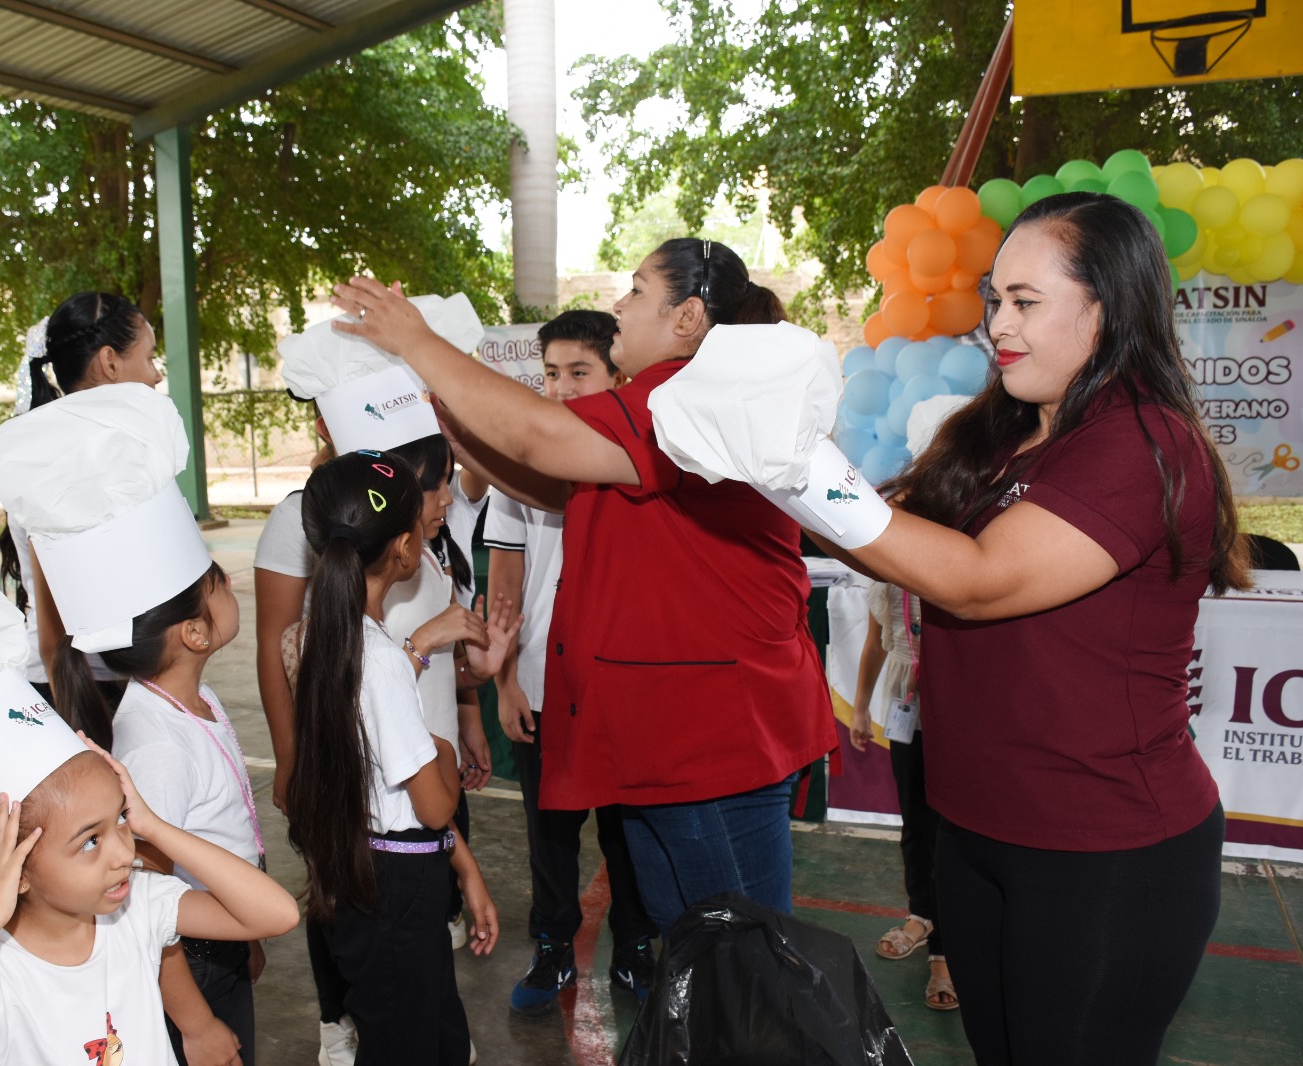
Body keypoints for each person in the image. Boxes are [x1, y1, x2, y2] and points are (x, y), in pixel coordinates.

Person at [712, 192, 1248, 1064]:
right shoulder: (999, 432)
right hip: (979, 831)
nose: (998, 323)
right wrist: (752, 452)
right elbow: (881, 533)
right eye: (996, 299)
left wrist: (800, 469)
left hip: (1100, 851)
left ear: (1107, 307)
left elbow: (978, 582)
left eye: (1026, 302)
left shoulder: (1143, 441)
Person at [329, 240, 837, 935]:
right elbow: (550, 483)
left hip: (713, 737)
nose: (618, 307)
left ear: (687, 317)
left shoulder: (691, 396)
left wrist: (417, 341)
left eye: (635, 291)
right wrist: (454, 424)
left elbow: (541, 440)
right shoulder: (658, 399)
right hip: (671, 735)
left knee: (742, 954)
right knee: (697, 944)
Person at [0, 580, 299, 1066]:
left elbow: (276, 915)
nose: (121, 853)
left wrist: (153, 826)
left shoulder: (135, 910)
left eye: (120, 822)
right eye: (89, 841)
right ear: (17, 870)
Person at [0, 382, 254, 1066]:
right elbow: (145, 894)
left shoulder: (194, 703)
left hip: (217, 926)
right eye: (219, 581)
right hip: (189, 954)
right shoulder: (155, 744)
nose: (231, 588)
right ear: (195, 632)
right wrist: (194, 1019)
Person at [285, 451, 499, 1066]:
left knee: (430, 1035)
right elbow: (433, 805)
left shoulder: (331, 634)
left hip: (371, 873)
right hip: (398, 889)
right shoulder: (376, 658)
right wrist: (442, 746)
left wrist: (467, 870)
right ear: (405, 548)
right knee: (412, 1044)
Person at [485, 310, 657, 1012]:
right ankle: (552, 946)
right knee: (548, 829)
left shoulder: (637, 457)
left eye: (577, 372)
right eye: (550, 374)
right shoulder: (518, 467)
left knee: (628, 830)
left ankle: (637, 944)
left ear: (619, 377)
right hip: (540, 684)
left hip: (619, 684)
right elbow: (504, 582)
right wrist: (504, 682)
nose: (558, 389)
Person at [0, 291, 164, 705]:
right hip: (80, 689)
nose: (157, 375)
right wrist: (82, 730)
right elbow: (55, 634)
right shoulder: (56, 466)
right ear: (110, 362)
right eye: (150, 358)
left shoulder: (123, 455)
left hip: (124, 678)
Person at [848, 581, 954, 1011]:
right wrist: (859, 707)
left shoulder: (959, 566)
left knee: (953, 835)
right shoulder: (889, 581)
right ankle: (921, 915)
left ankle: (945, 953)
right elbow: (875, 645)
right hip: (906, 707)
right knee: (915, 823)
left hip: (959, 711)